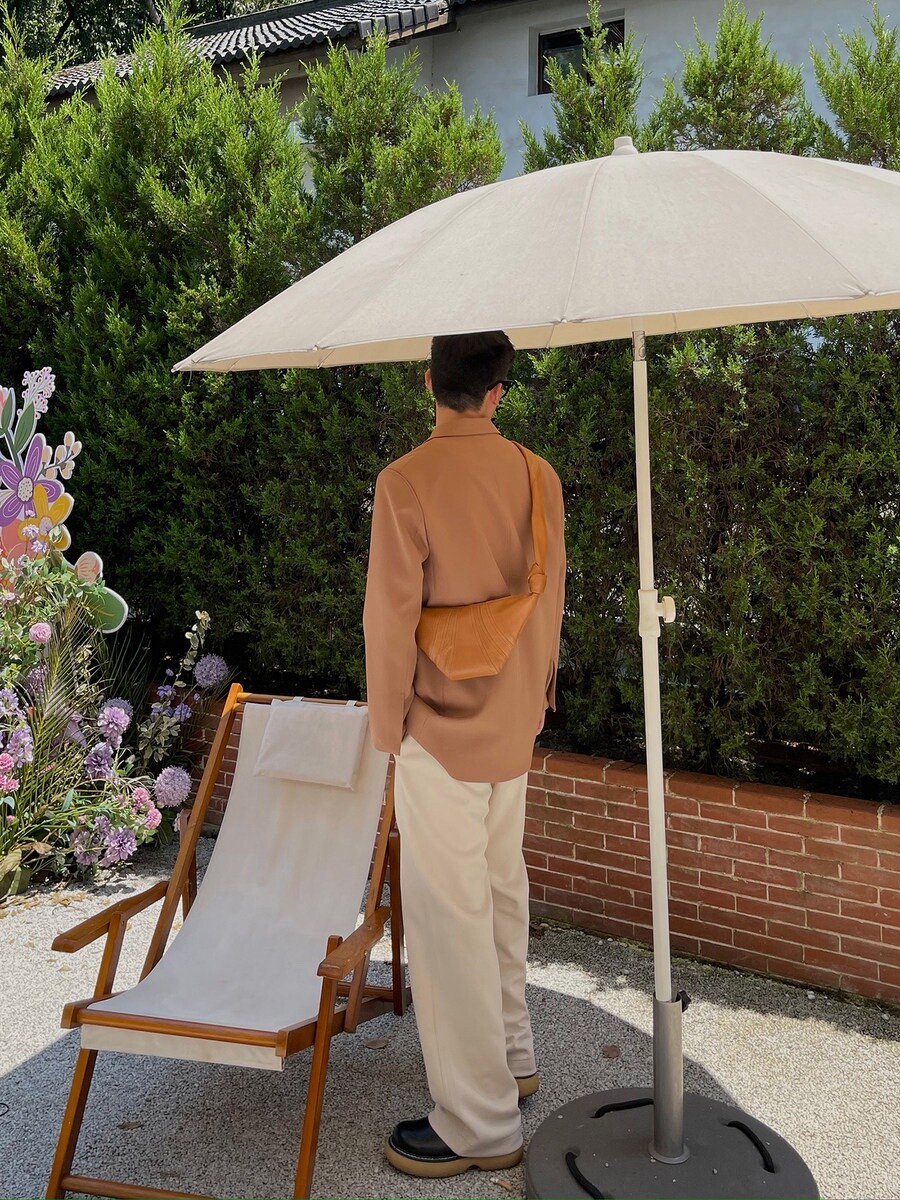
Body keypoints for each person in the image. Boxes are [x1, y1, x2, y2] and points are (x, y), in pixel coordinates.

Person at [363, 330, 566, 1179]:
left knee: (450, 925)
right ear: (497, 392)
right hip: (514, 724)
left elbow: (389, 620)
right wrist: (535, 699)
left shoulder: (405, 481)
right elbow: (550, 601)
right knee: (501, 892)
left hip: (439, 733)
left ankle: (479, 1124)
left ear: (428, 383)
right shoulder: (538, 475)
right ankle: (513, 1060)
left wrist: (389, 731)